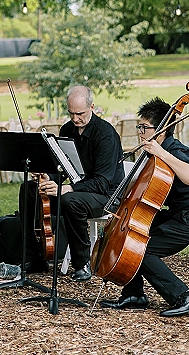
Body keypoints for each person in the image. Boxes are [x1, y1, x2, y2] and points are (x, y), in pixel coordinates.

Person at [100, 97, 189, 317]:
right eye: (139, 127)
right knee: (131, 239)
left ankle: (184, 296)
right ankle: (133, 295)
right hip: (177, 215)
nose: (140, 132)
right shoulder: (156, 154)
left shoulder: (176, 151)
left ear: (162, 129)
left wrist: (161, 153)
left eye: (144, 128)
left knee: (141, 250)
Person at [19, 85, 125, 281]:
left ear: (92, 107)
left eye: (80, 114)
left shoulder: (106, 135)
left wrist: (67, 188)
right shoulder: (67, 129)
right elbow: (62, 167)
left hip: (107, 197)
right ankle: (35, 257)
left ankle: (82, 263)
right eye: (71, 113)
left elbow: (102, 182)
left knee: (71, 201)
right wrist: (47, 178)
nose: (75, 118)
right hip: (77, 191)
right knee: (29, 189)